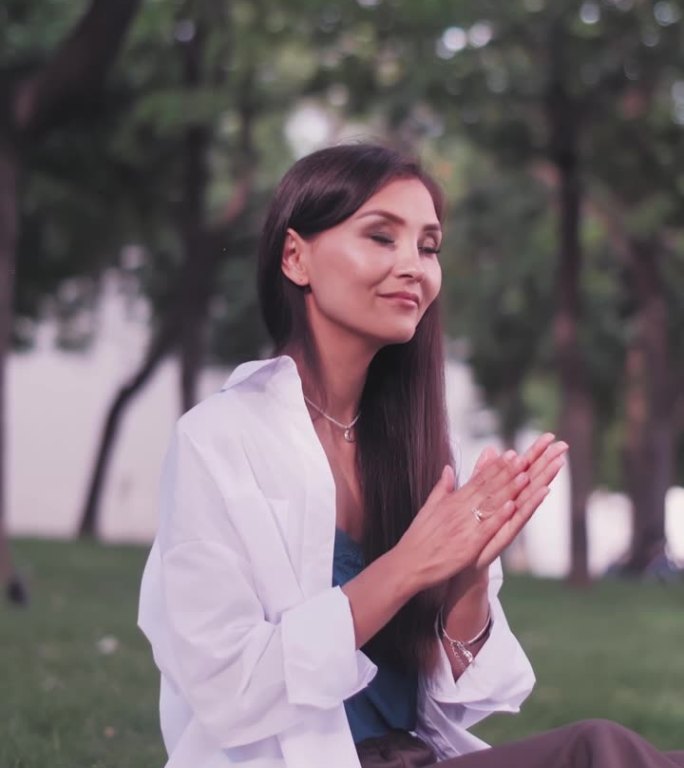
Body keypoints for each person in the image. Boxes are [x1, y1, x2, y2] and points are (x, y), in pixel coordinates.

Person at [138, 143, 684, 768]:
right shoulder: (220, 438)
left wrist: (469, 574)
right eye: (381, 237)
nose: (414, 267)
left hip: (416, 757)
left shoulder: (424, 445)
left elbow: (452, 704)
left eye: (428, 246)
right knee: (599, 749)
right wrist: (406, 568)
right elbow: (226, 688)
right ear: (296, 256)